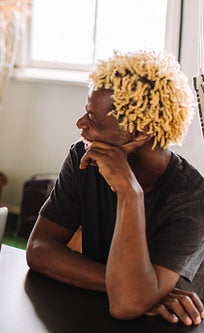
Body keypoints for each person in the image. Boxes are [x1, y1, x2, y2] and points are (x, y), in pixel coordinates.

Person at [26, 49, 204, 326]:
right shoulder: (84, 158)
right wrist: (137, 289)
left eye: (93, 119)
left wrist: (128, 193)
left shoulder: (193, 198)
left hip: (173, 325)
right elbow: (39, 248)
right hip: (100, 315)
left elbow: (127, 305)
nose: (80, 124)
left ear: (139, 132)